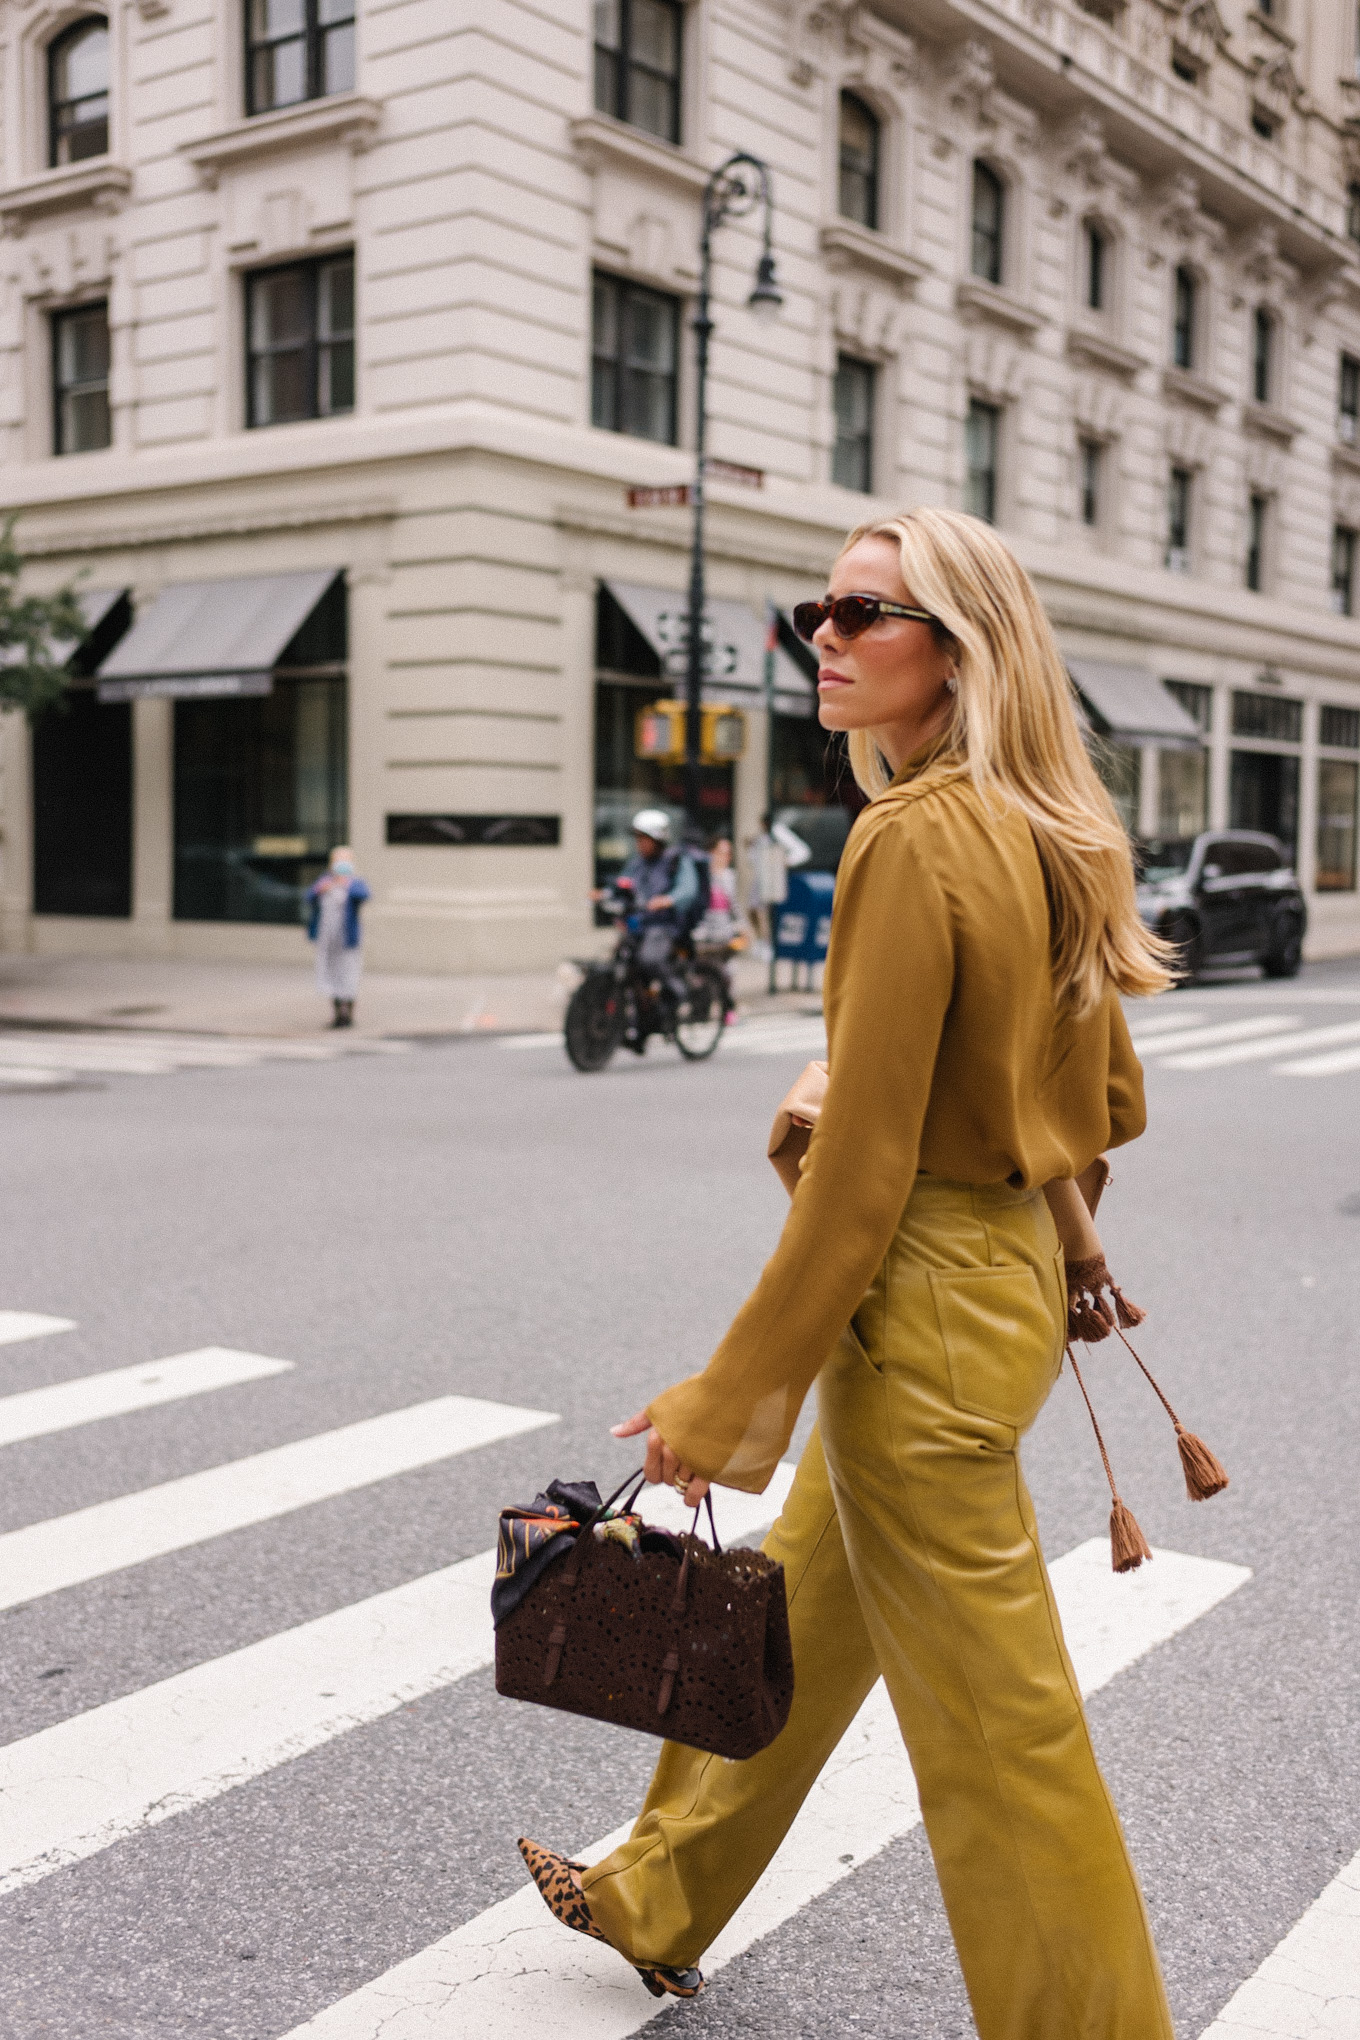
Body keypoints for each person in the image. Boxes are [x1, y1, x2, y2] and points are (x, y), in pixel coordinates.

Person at [517, 506, 1177, 2034]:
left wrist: (724, 1396)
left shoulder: (910, 837)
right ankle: (660, 1891)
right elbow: (1113, 1109)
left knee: (1002, 1737)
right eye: (822, 608)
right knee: (799, 1613)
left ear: (960, 655)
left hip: (921, 1312)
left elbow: (868, 1174)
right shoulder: (1047, 830)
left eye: (867, 614)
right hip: (995, 1285)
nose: (825, 633)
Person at [600, 809, 699, 996]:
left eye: (644, 838)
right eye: (637, 838)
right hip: (639, 925)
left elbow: (688, 890)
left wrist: (668, 900)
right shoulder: (637, 863)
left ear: (658, 839)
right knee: (621, 961)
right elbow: (623, 884)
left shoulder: (676, 860)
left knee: (650, 960)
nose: (640, 843)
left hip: (664, 926)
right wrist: (606, 893)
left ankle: (679, 993)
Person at [306, 846, 370, 1029]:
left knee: (349, 974)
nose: (341, 865)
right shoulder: (325, 882)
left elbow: (364, 895)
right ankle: (336, 1014)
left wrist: (346, 884)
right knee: (331, 974)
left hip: (348, 940)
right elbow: (309, 896)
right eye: (338, 860)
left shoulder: (355, 883)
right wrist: (321, 889)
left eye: (345, 861)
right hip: (328, 939)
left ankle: (348, 1014)